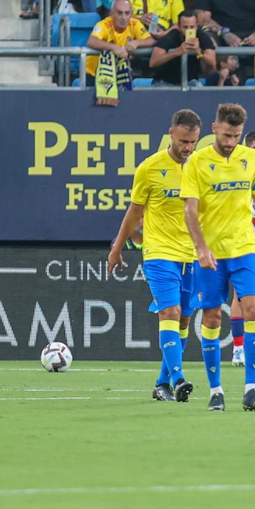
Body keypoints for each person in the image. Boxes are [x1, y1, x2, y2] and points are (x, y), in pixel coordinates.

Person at [181, 103, 255, 412]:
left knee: (253, 309)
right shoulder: (197, 162)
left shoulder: (250, 159)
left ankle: (251, 388)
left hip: (245, 248)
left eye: (236, 136)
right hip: (210, 254)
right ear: (214, 129)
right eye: (226, 135)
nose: (231, 141)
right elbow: (190, 210)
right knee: (212, 317)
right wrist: (200, 247)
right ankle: (216, 391)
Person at [105, 108, 202, 401]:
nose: (188, 148)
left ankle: (162, 384)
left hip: (191, 255)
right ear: (171, 134)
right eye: (183, 141)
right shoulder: (149, 168)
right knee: (170, 312)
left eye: (193, 142)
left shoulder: (200, 167)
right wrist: (117, 248)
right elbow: (134, 212)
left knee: (184, 320)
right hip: (159, 252)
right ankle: (179, 378)